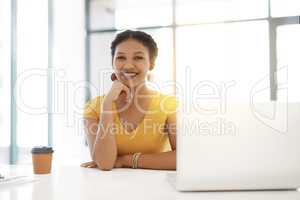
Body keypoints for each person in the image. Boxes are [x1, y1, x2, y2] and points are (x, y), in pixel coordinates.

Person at [81, 30, 177, 171]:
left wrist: (126, 160)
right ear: (112, 62)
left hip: (156, 188)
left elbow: (181, 159)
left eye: (138, 58)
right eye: (121, 58)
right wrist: (107, 105)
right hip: (108, 189)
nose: (128, 65)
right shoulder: (94, 108)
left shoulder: (168, 105)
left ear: (151, 63)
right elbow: (105, 163)